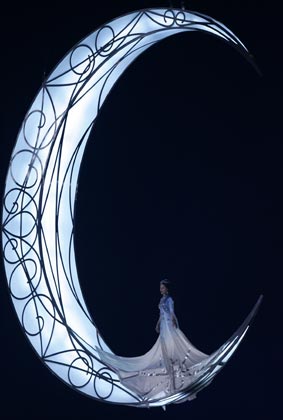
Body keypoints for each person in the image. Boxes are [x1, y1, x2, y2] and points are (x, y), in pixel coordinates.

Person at [95, 279, 208, 401]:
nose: (161, 289)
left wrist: (174, 321)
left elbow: (171, 312)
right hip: (164, 326)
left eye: (162, 287)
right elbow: (161, 314)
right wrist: (158, 324)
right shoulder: (161, 299)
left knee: (171, 349)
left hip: (169, 325)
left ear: (167, 288)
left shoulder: (169, 299)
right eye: (160, 287)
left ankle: (176, 376)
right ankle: (170, 377)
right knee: (165, 350)